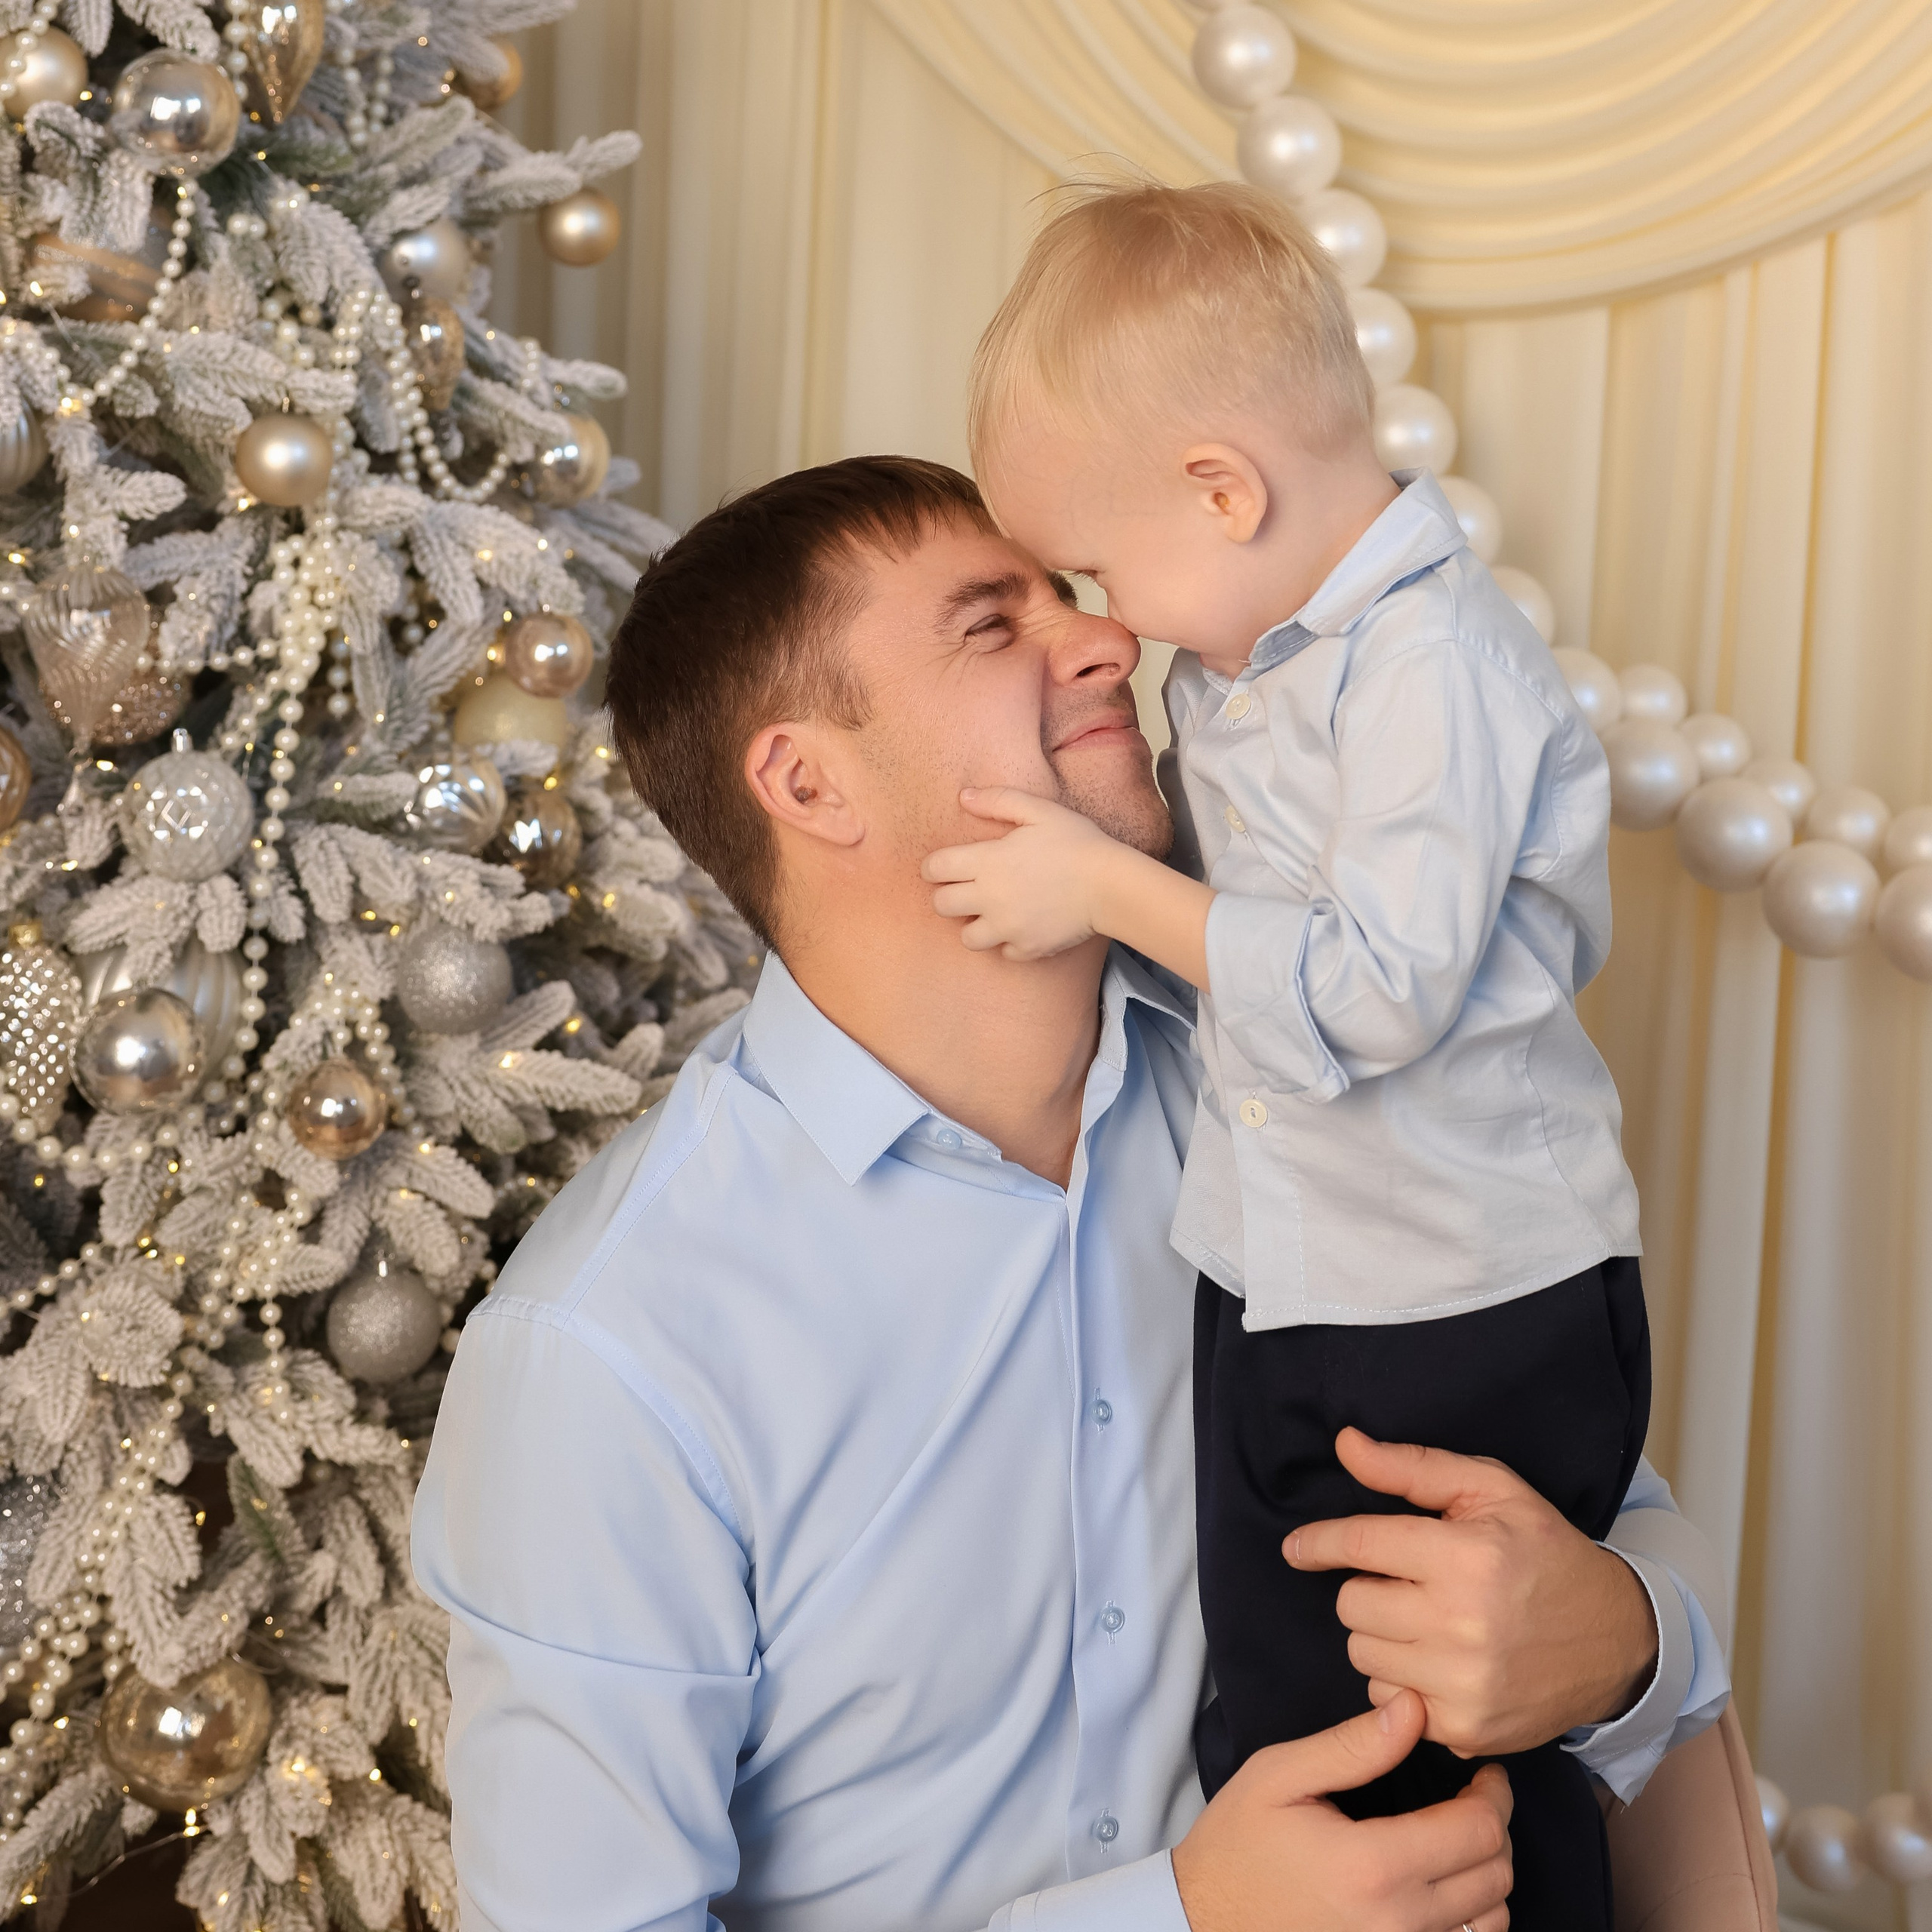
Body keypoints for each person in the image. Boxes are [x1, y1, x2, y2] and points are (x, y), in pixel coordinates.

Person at [411, 455, 1730, 1932]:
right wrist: (1182, 1918)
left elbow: (1588, 1488)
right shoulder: (609, 1353)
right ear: (807, 783)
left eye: (1074, 595)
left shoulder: (1307, 1093)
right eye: (993, 624)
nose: (1110, 638)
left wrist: (1628, 1637)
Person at [926, 183, 1666, 1927]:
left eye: (1102, 572)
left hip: (1458, 1288)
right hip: (1294, 1265)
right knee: (1276, 1700)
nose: (1111, 624)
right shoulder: (1243, 666)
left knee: (1421, 1744)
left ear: (1222, 491)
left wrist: (1098, 882)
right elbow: (1228, 951)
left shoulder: (1431, 666)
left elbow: (1374, 989)